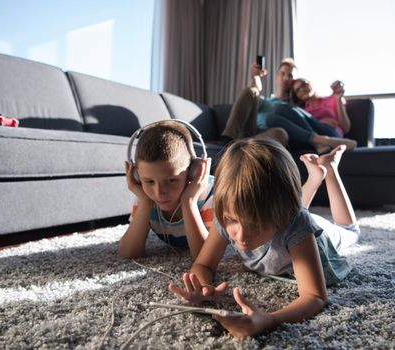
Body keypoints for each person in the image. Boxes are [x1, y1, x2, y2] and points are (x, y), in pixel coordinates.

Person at [169, 138, 360, 338]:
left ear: (283, 216)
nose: (241, 236)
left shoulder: (297, 225)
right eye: (233, 220)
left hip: (321, 235)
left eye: (256, 224)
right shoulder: (227, 212)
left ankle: (330, 169)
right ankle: (316, 177)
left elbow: (315, 297)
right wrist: (204, 287)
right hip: (290, 213)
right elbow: (203, 265)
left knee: (350, 232)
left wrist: (271, 319)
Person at [118, 120, 213, 259]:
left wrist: (189, 201)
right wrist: (145, 203)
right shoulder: (146, 195)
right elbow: (128, 254)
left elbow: (205, 257)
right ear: (136, 176)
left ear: (193, 171)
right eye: (149, 181)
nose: (159, 192)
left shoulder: (211, 197)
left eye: (172, 180)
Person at [221, 58, 357, 154]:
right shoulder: (265, 101)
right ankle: (228, 139)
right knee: (251, 91)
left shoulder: (295, 107)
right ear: (276, 76)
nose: (286, 78)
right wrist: (256, 77)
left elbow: (310, 118)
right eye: (283, 74)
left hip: (266, 136)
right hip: (249, 129)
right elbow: (252, 95)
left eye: (290, 75)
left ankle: (239, 148)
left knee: (279, 130)